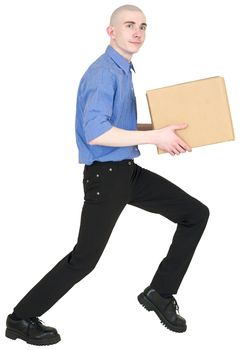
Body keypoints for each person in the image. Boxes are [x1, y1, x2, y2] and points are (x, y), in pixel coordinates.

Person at [5, 4, 209, 345]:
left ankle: (159, 293)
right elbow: (97, 133)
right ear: (110, 31)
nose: (138, 32)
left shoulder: (123, 70)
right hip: (106, 178)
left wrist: (161, 131)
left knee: (195, 214)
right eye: (129, 25)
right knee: (85, 259)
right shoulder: (104, 73)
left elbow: (120, 129)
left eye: (143, 26)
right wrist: (154, 137)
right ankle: (21, 319)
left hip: (127, 173)